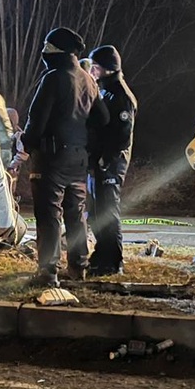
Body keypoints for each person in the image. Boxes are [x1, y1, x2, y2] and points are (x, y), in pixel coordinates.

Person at [21, 27, 109, 286]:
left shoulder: (53, 78)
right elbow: (102, 118)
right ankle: (78, 266)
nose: (44, 53)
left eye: (47, 48)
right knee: (76, 213)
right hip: (78, 158)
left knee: (48, 215)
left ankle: (48, 273)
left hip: (51, 158)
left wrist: (26, 144)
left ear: (55, 51)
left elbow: (36, 120)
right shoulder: (88, 80)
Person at [86, 45, 138, 276]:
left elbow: (122, 136)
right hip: (99, 161)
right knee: (96, 211)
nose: (92, 71)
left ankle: (114, 260)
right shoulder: (106, 91)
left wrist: (106, 159)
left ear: (107, 69)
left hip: (110, 163)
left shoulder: (121, 96)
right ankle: (101, 254)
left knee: (108, 211)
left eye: (95, 67)